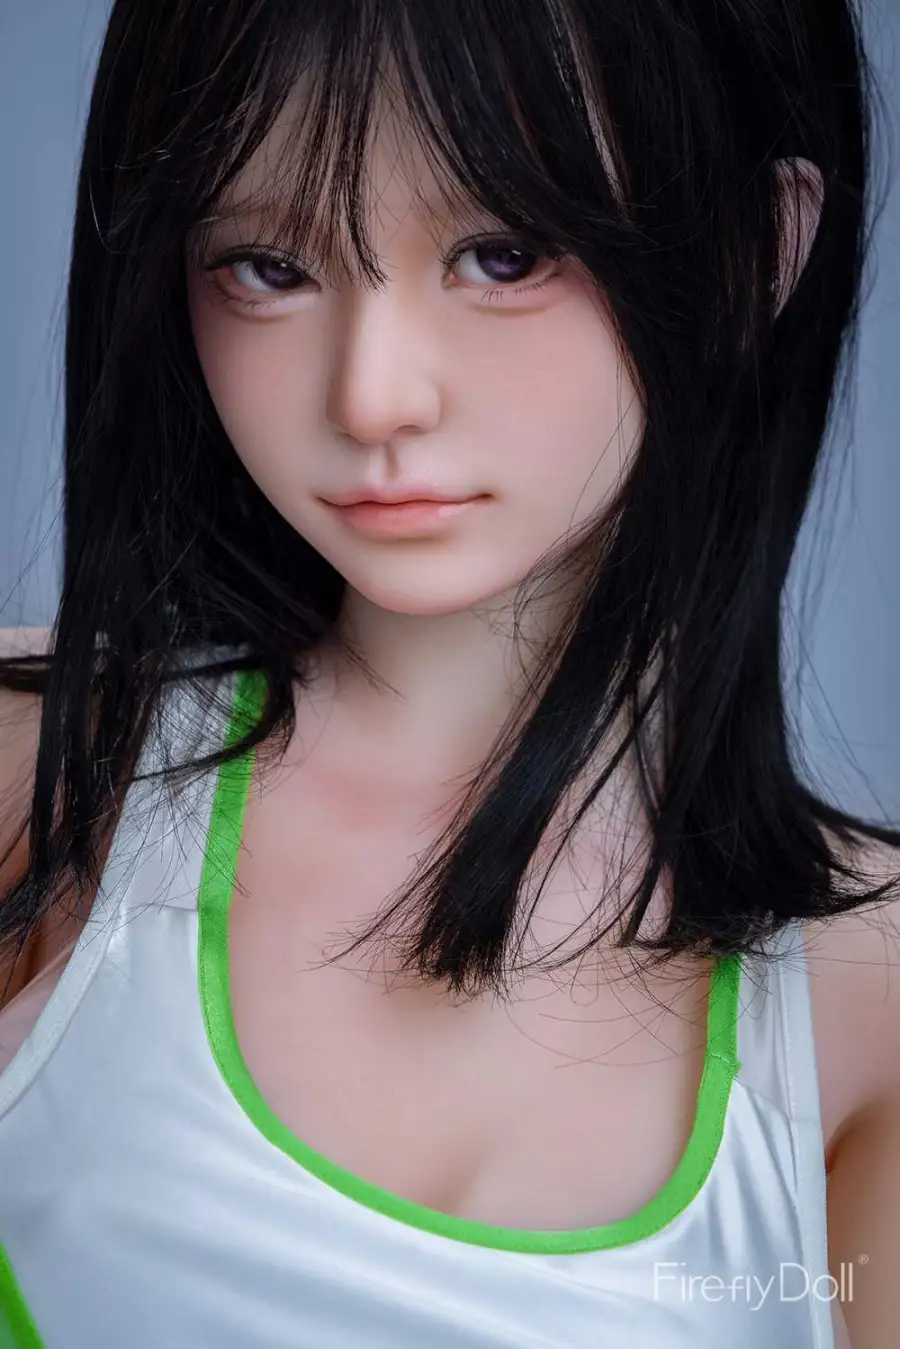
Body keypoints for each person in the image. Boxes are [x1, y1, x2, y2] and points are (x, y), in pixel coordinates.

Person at [0, 0, 897, 1344]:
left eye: (503, 255)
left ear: (751, 255)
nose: (372, 396)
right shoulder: (45, 772)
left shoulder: (869, 992)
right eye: (266, 267)